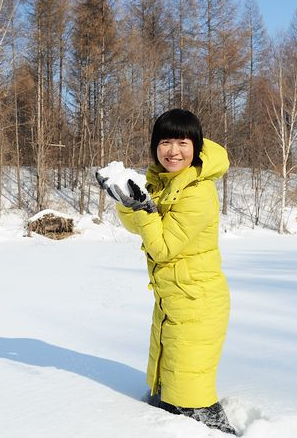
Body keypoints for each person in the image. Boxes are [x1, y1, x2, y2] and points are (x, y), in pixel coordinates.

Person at [96, 108, 235, 435]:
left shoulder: (197, 191)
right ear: (155, 146)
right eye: (166, 142)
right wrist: (127, 200)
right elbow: (140, 227)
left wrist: (144, 208)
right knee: (168, 390)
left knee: (192, 397)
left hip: (197, 303)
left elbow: (162, 247)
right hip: (174, 300)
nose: (173, 151)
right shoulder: (165, 181)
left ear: (197, 147)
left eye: (183, 143)